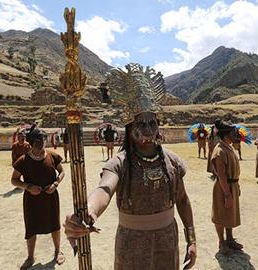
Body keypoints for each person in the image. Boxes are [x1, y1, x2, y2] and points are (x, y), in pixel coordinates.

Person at [64, 63, 197, 270]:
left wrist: (192, 239)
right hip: (132, 247)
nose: (148, 130)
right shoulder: (120, 163)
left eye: (152, 123)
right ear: (129, 129)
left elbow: (182, 200)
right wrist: (88, 211)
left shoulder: (172, 162)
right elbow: (104, 189)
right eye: (140, 125)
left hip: (167, 243)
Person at [11, 128, 66, 269]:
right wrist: (28, 187)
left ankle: (57, 250)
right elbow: (14, 180)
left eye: (42, 139)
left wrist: (55, 183)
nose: (40, 142)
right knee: (31, 227)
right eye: (37, 140)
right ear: (31, 142)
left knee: (54, 224)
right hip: (31, 199)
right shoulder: (23, 160)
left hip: (51, 197)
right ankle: (30, 256)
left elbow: (61, 172)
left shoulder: (52, 156)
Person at [211, 120, 243, 254]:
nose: (234, 134)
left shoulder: (228, 147)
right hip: (224, 188)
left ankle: (229, 239)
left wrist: (237, 186)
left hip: (232, 186)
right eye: (232, 132)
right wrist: (227, 194)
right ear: (225, 134)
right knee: (220, 215)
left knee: (230, 214)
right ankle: (221, 242)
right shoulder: (219, 151)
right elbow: (222, 175)